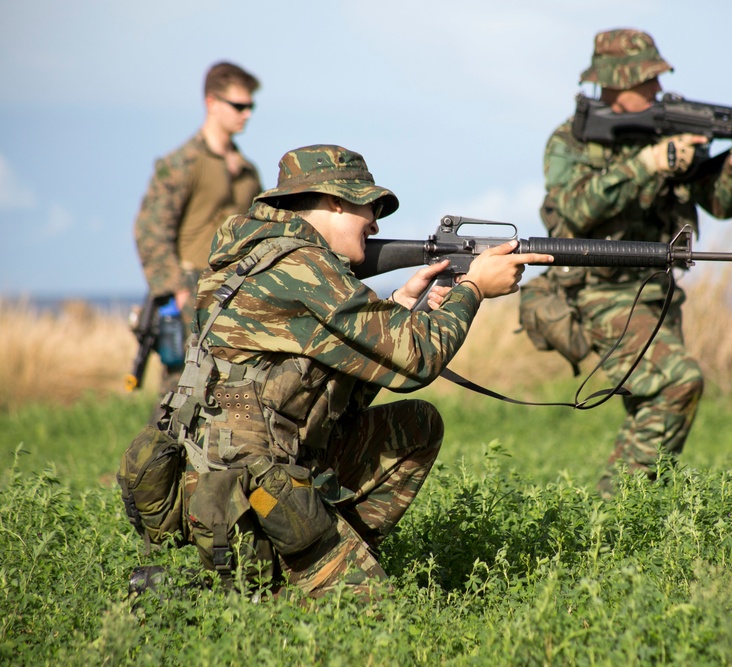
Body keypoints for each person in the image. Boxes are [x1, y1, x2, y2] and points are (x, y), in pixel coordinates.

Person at [156, 144, 552, 599]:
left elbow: (316, 386)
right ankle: (285, 582)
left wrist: (400, 307)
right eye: (369, 207)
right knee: (372, 622)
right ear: (336, 202)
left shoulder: (259, 259)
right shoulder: (302, 265)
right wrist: (475, 288)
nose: (377, 225)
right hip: (253, 497)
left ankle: (305, 563)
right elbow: (418, 359)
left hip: (224, 488)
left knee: (417, 426)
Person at [538, 29, 732, 497]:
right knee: (677, 383)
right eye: (646, 82)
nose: (657, 90)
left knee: (652, 404)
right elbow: (575, 209)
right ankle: (619, 508)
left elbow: (719, 202)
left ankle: (622, 514)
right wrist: (647, 163)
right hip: (599, 291)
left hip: (657, 290)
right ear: (615, 83)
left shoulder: (674, 132)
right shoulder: (571, 139)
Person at [133, 61, 262, 402]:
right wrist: (175, 289)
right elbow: (150, 229)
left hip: (237, 289)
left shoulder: (248, 171)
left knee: (232, 395)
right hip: (191, 289)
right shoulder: (182, 163)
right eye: (239, 106)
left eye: (251, 106)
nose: (246, 114)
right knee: (179, 395)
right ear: (211, 103)